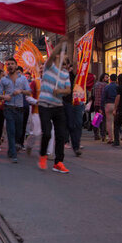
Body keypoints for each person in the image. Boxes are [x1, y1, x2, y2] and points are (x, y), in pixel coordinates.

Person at [37, 39, 71, 174]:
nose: (65, 56)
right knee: (46, 132)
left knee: (61, 134)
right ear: (58, 55)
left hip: (58, 106)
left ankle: (58, 162)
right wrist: (61, 47)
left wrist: (60, 91)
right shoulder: (49, 67)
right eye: (64, 54)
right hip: (44, 105)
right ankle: (43, 154)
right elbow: (52, 57)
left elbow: (68, 90)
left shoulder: (64, 74)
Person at [0, 59, 31, 163]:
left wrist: (21, 91)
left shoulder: (23, 79)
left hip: (20, 109)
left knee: (19, 132)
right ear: (6, 67)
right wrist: (4, 96)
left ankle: (12, 148)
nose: (10, 66)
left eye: (12, 64)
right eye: (8, 64)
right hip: (9, 108)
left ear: (16, 66)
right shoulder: (3, 80)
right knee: (11, 131)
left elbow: (29, 92)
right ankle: (13, 154)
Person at [62, 60, 84, 156]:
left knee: (71, 125)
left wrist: (75, 49)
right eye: (61, 64)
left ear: (67, 65)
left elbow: (75, 65)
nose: (63, 66)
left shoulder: (70, 75)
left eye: (64, 64)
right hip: (57, 103)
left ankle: (76, 148)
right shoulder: (55, 76)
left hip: (67, 103)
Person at [102, 74, 118, 144]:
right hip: (117, 105)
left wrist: (101, 107)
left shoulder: (107, 87)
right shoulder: (118, 87)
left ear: (110, 79)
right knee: (117, 122)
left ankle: (110, 138)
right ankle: (117, 137)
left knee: (109, 122)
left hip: (108, 104)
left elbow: (103, 98)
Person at [91, 73, 108, 140]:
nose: (107, 79)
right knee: (103, 120)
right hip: (102, 104)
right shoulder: (105, 85)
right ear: (103, 78)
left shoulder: (96, 84)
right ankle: (103, 135)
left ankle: (96, 134)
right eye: (106, 77)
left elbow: (93, 94)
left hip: (96, 104)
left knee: (97, 119)